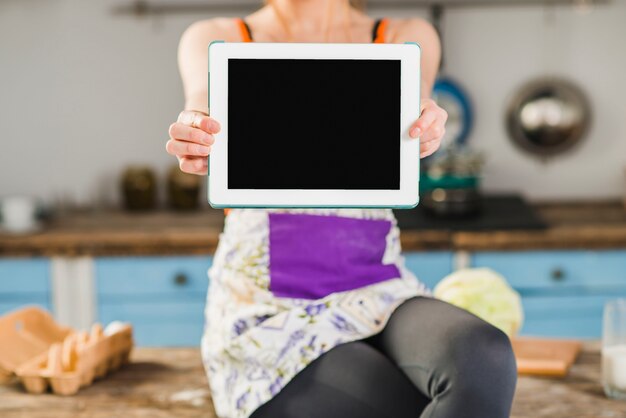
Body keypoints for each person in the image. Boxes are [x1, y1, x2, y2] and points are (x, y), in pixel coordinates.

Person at [166, 1, 517, 417]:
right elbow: (201, 104)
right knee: (400, 401)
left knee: (484, 356)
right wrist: (197, 131)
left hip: (377, 290)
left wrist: (426, 121)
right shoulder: (216, 35)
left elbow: (419, 97)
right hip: (270, 310)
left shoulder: (404, 33)